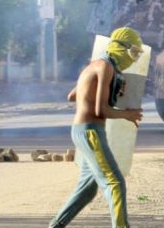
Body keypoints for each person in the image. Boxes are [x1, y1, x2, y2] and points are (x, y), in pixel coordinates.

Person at [49, 27, 144, 228]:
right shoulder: (106, 67)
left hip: (82, 131)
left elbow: (72, 95)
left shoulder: (93, 66)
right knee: (115, 183)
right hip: (91, 131)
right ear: (122, 48)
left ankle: (55, 226)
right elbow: (102, 110)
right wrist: (128, 114)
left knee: (88, 188)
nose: (135, 59)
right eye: (134, 53)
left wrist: (110, 88)